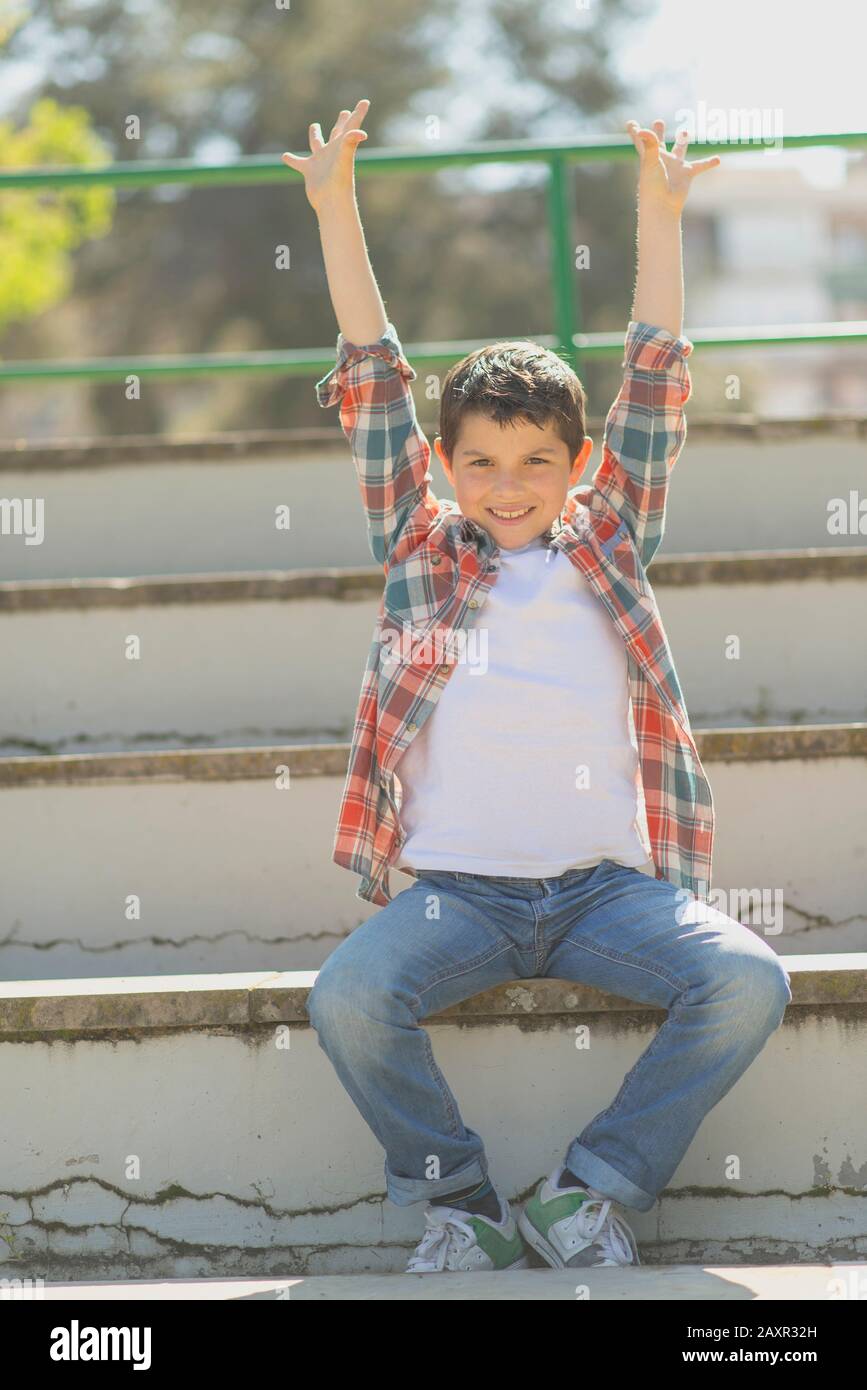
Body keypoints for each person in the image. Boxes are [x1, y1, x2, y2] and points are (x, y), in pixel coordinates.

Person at [282, 102, 792, 1274]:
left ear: (577, 469)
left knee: (745, 979)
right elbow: (373, 375)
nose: (506, 487)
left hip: (607, 893)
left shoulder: (607, 540)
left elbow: (655, 381)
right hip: (462, 896)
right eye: (480, 463)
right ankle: (460, 1201)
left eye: (535, 463)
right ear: (447, 467)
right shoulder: (423, 547)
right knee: (350, 998)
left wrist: (659, 212)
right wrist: (333, 205)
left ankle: (587, 1190)